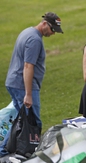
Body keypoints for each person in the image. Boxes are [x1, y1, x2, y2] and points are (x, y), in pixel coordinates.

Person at [1, 12, 63, 157]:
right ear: (44, 24)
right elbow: (28, 66)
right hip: (23, 86)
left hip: (14, 83)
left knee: (21, 120)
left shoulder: (27, 32)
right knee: (33, 122)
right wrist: (28, 94)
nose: (53, 33)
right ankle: (29, 153)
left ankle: (5, 150)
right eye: (52, 29)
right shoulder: (34, 40)